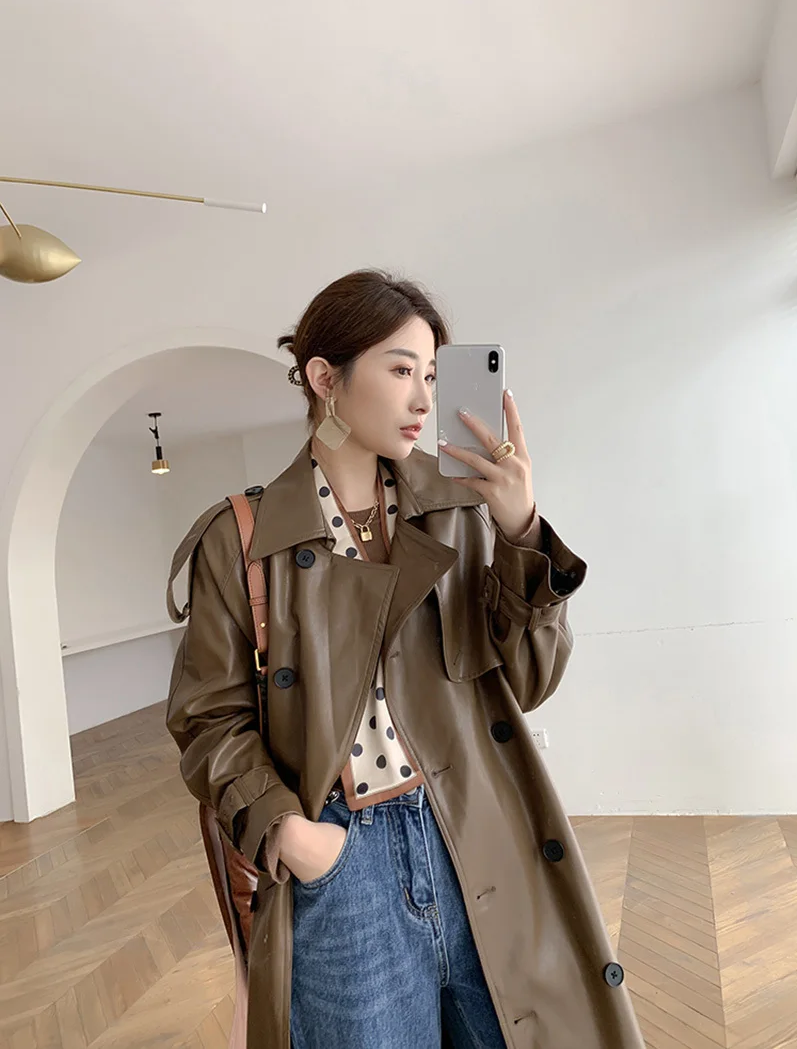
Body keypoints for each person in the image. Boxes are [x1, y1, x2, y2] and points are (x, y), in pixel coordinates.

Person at [165, 270, 645, 1049]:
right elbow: (208, 717)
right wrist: (294, 836)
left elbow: (529, 681)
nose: (424, 398)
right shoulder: (242, 539)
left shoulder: (460, 512)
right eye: (400, 370)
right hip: (344, 864)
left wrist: (521, 530)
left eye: (430, 374)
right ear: (325, 379)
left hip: (476, 838)